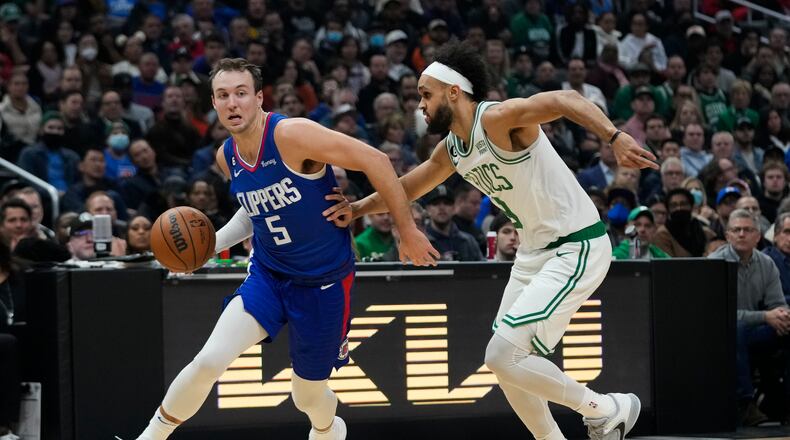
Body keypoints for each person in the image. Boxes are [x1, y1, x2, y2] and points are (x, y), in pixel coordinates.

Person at [325, 42, 656, 440]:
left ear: (453, 92)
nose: (420, 105)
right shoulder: (452, 149)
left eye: (426, 94)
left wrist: (614, 136)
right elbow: (408, 187)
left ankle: (607, 408)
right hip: (533, 252)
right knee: (508, 366)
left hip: (576, 244)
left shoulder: (498, 119)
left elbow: (565, 99)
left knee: (502, 356)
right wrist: (356, 209)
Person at [132, 58, 437, 440]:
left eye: (241, 93)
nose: (232, 103)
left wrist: (405, 229)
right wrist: (211, 246)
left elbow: (375, 160)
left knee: (306, 395)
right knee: (209, 360)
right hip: (269, 274)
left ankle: (328, 429)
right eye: (223, 95)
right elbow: (254, 210)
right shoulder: (226, 156)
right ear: (213, 103)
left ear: (259, 98)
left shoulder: (292, 134)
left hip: (324, 283)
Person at [708, 209, 790, 426]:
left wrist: (782, 317)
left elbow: (777, 304)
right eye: (736, 230)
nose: (742, 234)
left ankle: (784, 403)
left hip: (755, 331)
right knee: (737, 330)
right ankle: (745, 404)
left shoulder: (767, 263)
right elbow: (719, 315)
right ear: (727, 235)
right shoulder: (714, 264)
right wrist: (765, 316)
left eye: (748, 230)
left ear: (758, 236)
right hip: (720, 335)